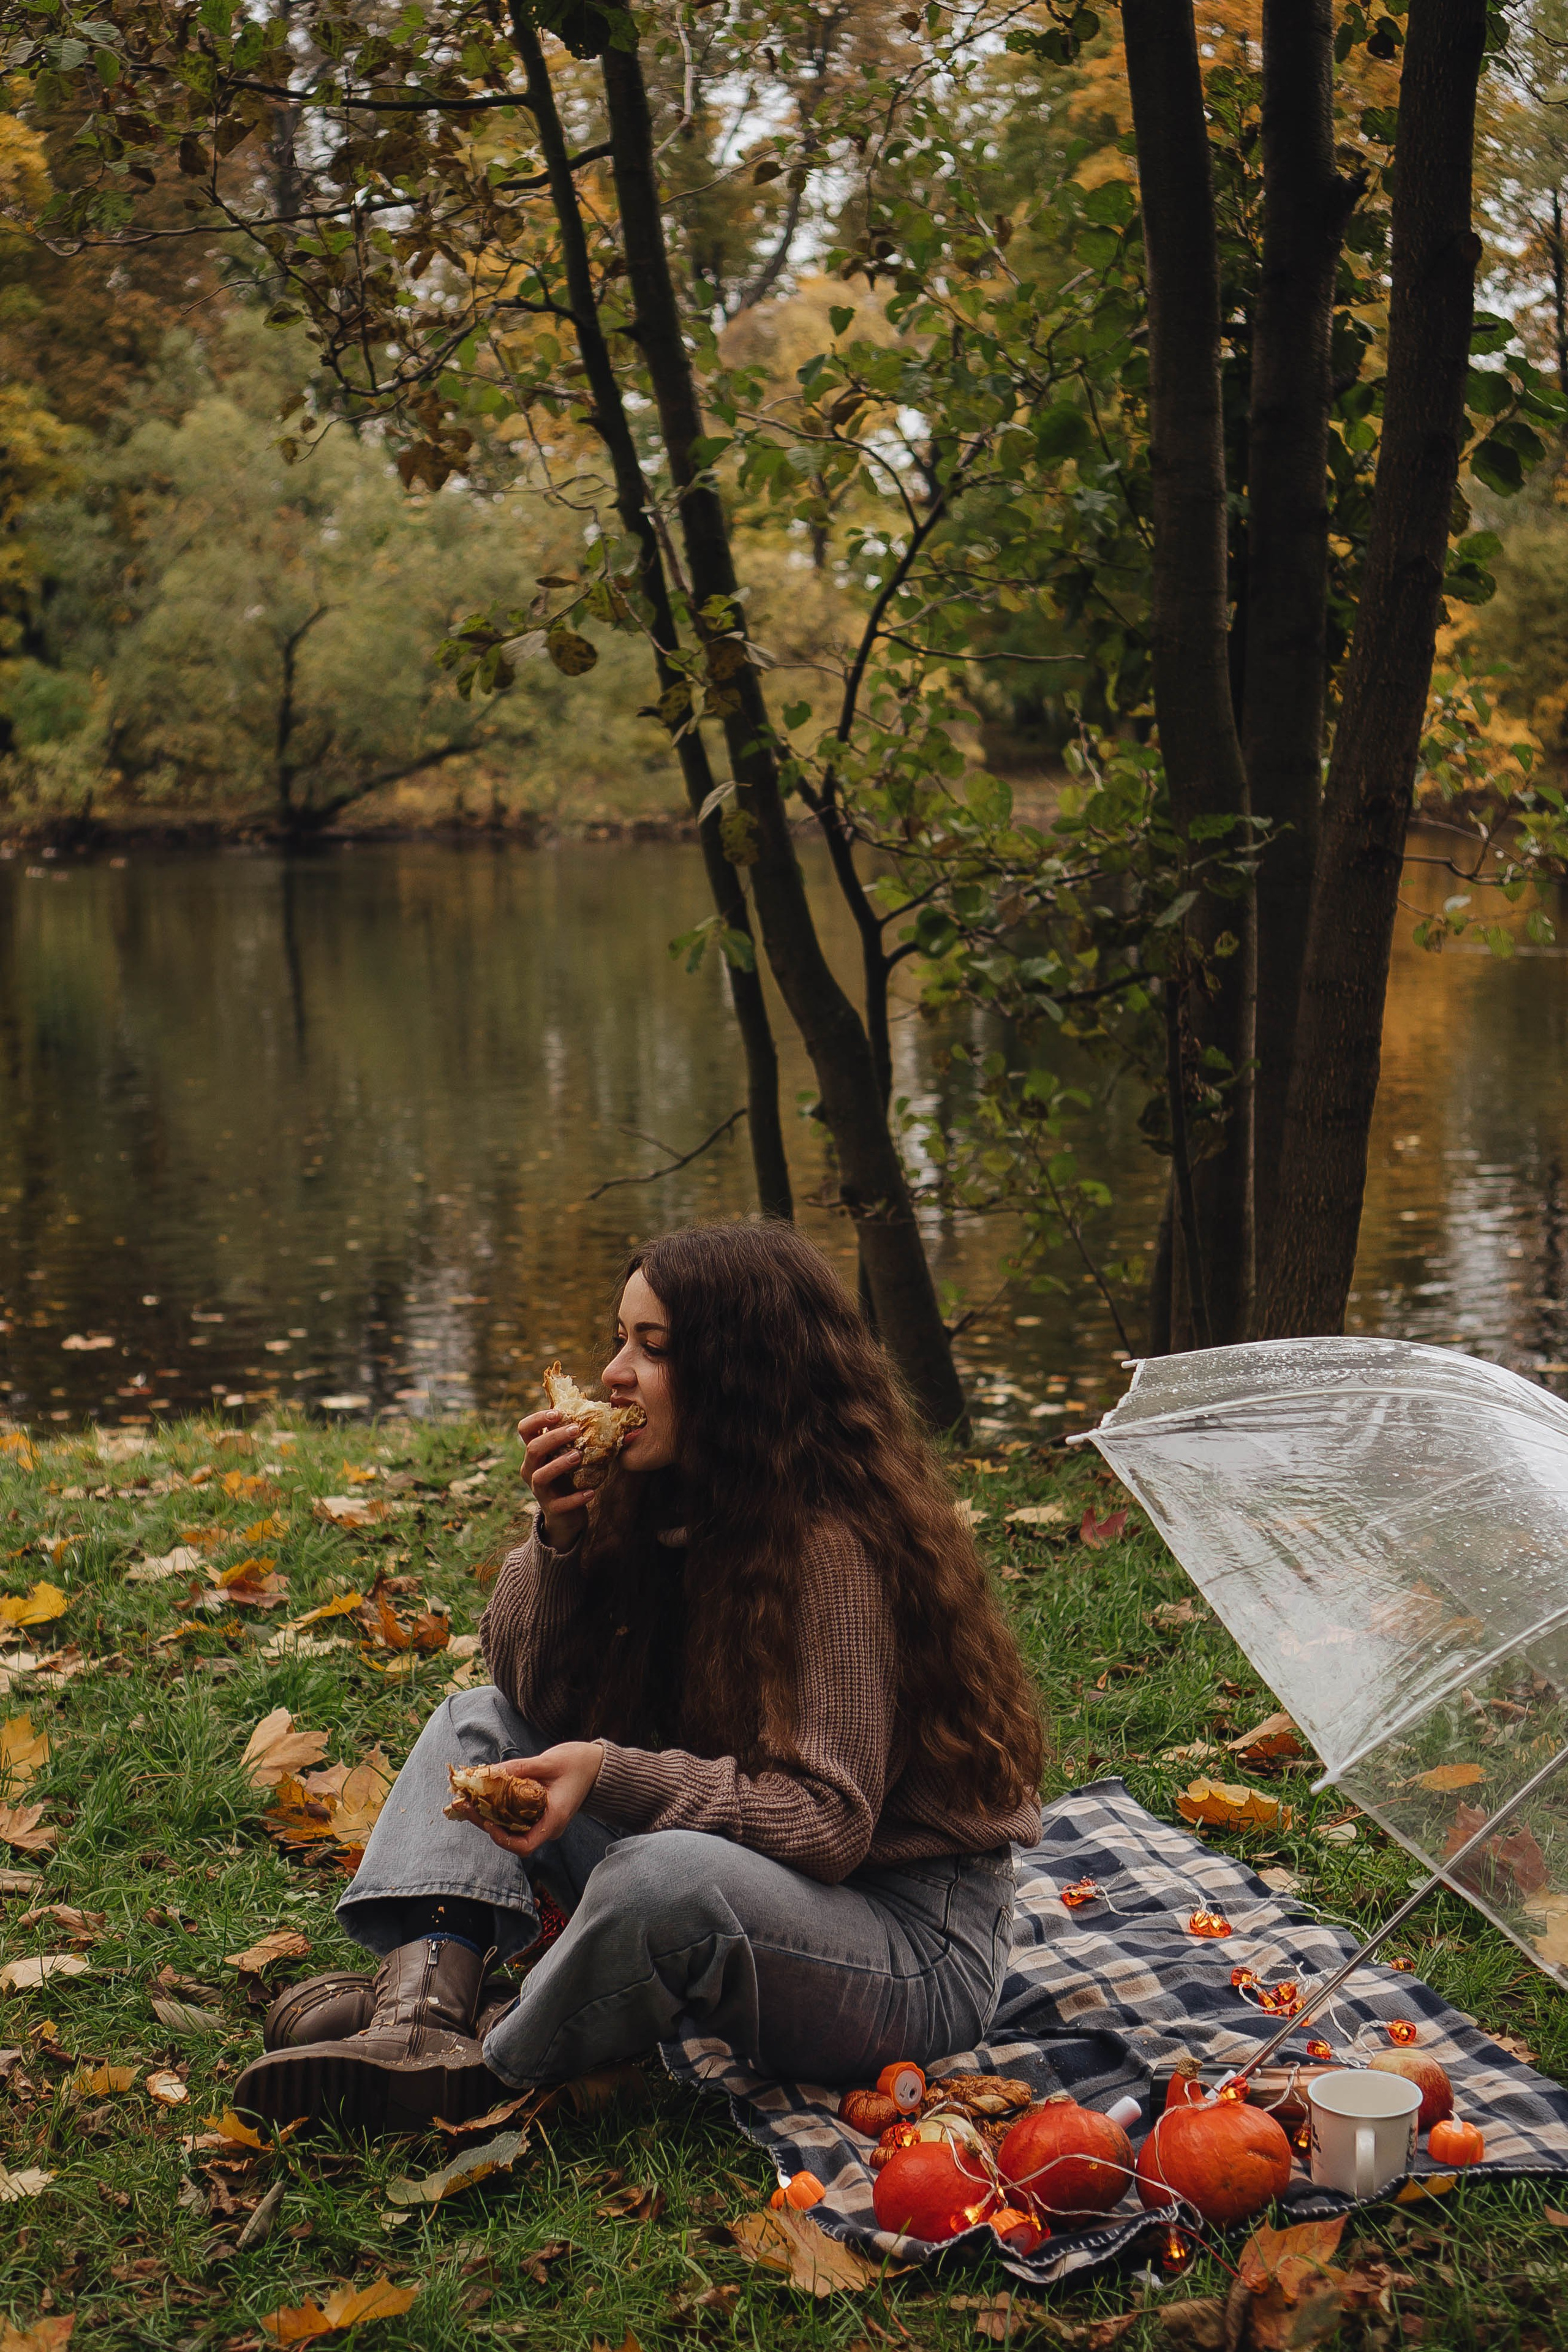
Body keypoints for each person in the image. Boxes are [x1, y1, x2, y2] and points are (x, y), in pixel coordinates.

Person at [235, 1222, 1045, 2133]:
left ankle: (493, 2067)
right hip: (762, 1893)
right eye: (619, 1338)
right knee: (479, 1725)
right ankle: (418, 2017)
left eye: (653, 1349)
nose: (616, 1371)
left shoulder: (829, 1546)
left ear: (742, 1375)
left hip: (907, 1948)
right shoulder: (668, 1500)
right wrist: (561, 1543)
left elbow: (827, 1825)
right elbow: (532, 1696)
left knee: (664, 1879)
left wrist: (610, 1774)